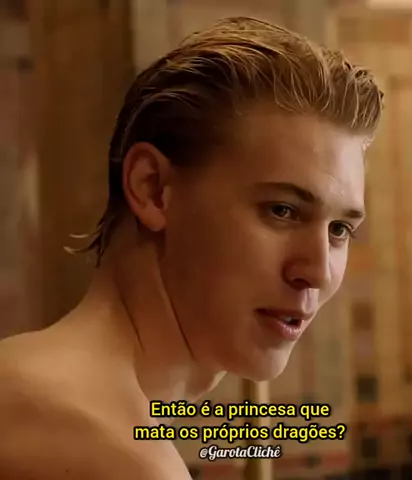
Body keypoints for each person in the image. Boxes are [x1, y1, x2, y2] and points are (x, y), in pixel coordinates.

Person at [0, 16, 384, 480]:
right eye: (281, 210)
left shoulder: (21, 380)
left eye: (340, 229)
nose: (318, 271)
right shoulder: (117, 459)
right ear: (152, 188)